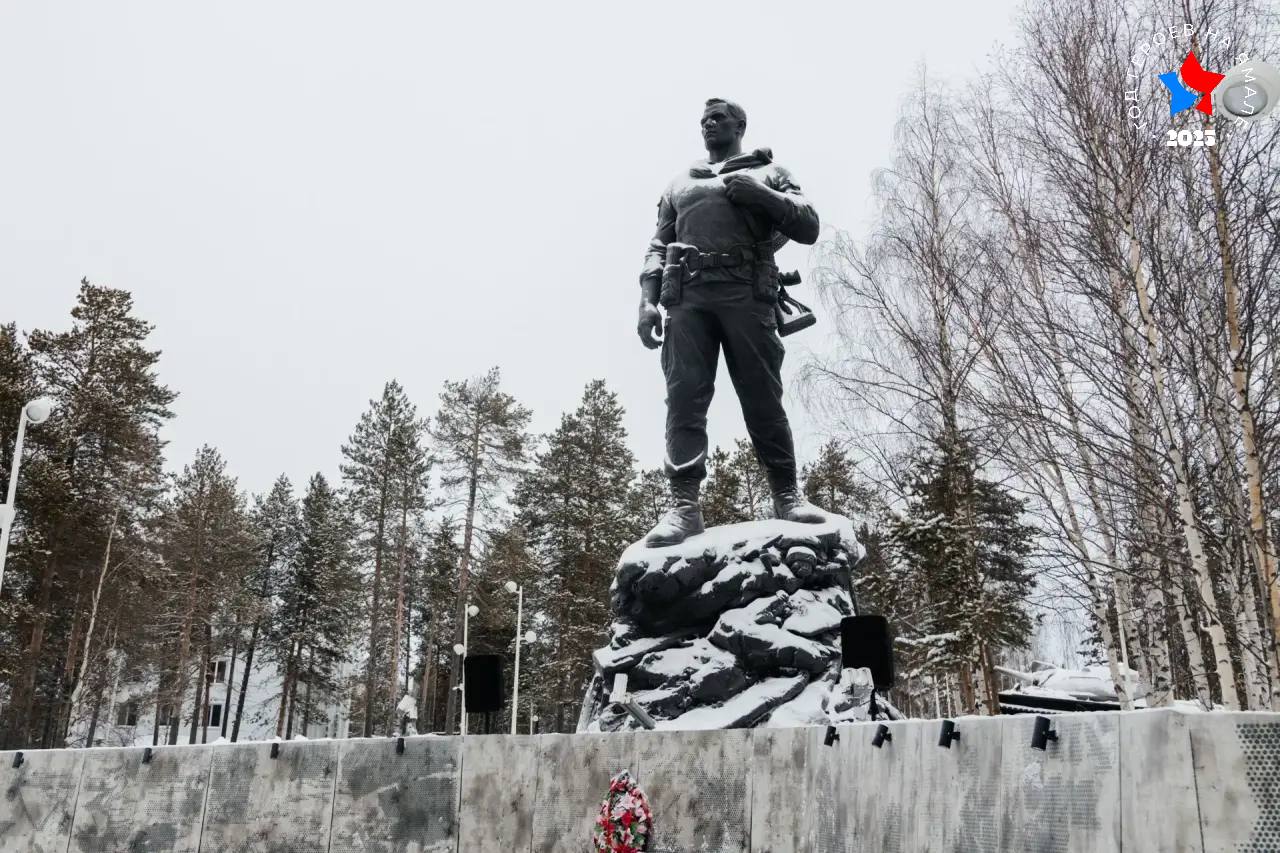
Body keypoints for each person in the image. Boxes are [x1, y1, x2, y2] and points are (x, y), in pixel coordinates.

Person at [636, 97, 827, 547]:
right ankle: (684, 506)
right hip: (688, 299)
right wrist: (646, 301)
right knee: (684, 399)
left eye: (718, 118)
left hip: (747, 293)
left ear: (740, 125)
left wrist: (761, 193)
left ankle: (785, 494)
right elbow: (658, 245)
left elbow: (809, 225)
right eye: (703, 120)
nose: (708, 124)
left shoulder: (769, 172)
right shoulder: (681, 183)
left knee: (762, 396)